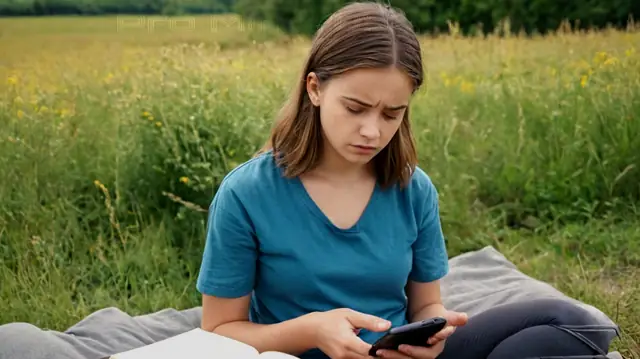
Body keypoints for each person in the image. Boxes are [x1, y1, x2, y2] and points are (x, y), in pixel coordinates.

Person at [195, 2, 618, 359]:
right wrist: (310, 331)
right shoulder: (246, 193)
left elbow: (426, 304)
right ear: (315, 89)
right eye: (356, 108)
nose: (372, 132)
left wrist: (431, 336)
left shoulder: (412, 189)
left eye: (391, 114)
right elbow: (218, 330)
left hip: (395, 354)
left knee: (580, 326)